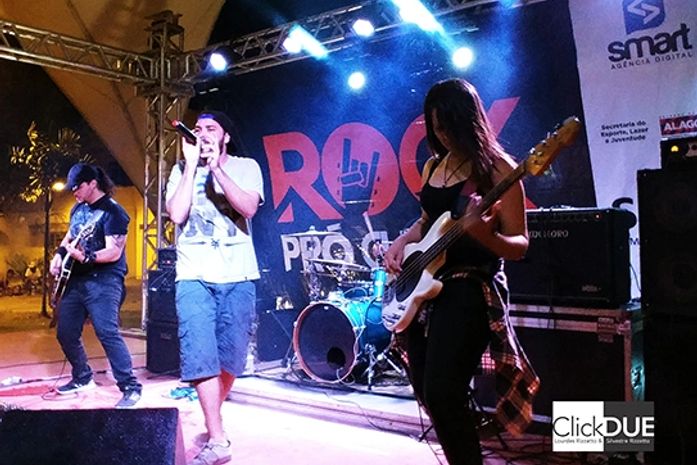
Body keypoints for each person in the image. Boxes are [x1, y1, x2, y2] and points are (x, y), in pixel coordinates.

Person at [383, 78, 539, 465]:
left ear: (470, 122)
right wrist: (401, 241)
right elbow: (427, 222)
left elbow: (520, 244)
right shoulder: (433, 166)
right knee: (426, 390)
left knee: (442, 391)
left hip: (470, 286)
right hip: (425, 287)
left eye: (449, 126)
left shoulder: (499, 170)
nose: (443, 135)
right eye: (436, 127)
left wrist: (485, 235)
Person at [166, 110, 263, 465]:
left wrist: (216, 170)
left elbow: (248, 208)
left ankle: (212, 418)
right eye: (198, 129)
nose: (203, 133)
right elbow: (176, 215)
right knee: (200, 354)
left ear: (225, 137)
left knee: (231, 358)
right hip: (193, 275)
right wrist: (193, 167)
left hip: (238, 276)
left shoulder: (246, 166)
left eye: (211, 128)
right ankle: (218, 438)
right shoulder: (180, 170)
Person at [49, 162, 142, 408]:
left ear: (93, 183)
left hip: (105, 280)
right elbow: (70, 236)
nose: (74, 192)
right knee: (65, 332)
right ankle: (82, 377)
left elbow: (113, 251)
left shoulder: (114, 212)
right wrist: (59, 255)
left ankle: (130, 386)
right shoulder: (78, 209)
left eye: (78, 187)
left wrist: (86, 257)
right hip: (77, 279)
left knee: (106, 332)